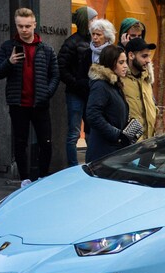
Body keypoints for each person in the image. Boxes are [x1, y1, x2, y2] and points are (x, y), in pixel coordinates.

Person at [0, 7, 59, 181]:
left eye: (27, 26)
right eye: (20, 26)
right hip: (18, 104)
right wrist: (9, 62)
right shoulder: (8, 47)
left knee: (46, 143)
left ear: (34, 25)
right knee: (20, 143)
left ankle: (43, 178)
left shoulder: (46, 49)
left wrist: (47, 93)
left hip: (40, 104)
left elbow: (55, 74)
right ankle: (24, 179)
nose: (24, 30)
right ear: (16, 25)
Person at [85, 45, 141, 162]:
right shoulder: (101, 85)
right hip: (102, 152)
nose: (125, 66)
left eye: (125, 62)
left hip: (113, 150)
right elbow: (93, 116)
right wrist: (117, 135)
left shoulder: (114, 84)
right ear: (111, 63)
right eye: (121, 62)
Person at [57, 6, 97, 167]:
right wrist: (76, 83)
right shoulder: (71, 43)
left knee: (90, 133)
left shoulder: (94, 41)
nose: (96, 22)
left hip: (89, 93)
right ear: (84, 21)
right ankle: (73, 167)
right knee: (74, 134)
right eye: (93, 19)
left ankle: (91, 165)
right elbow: (61, 68)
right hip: (75, 94)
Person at [123, 38, 158, 140]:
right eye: (144, 56)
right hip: (130, 146)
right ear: (131, 55)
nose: (148, 60)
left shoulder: (147, 78)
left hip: (149, 141)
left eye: (148, 56)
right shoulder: (120, 80)